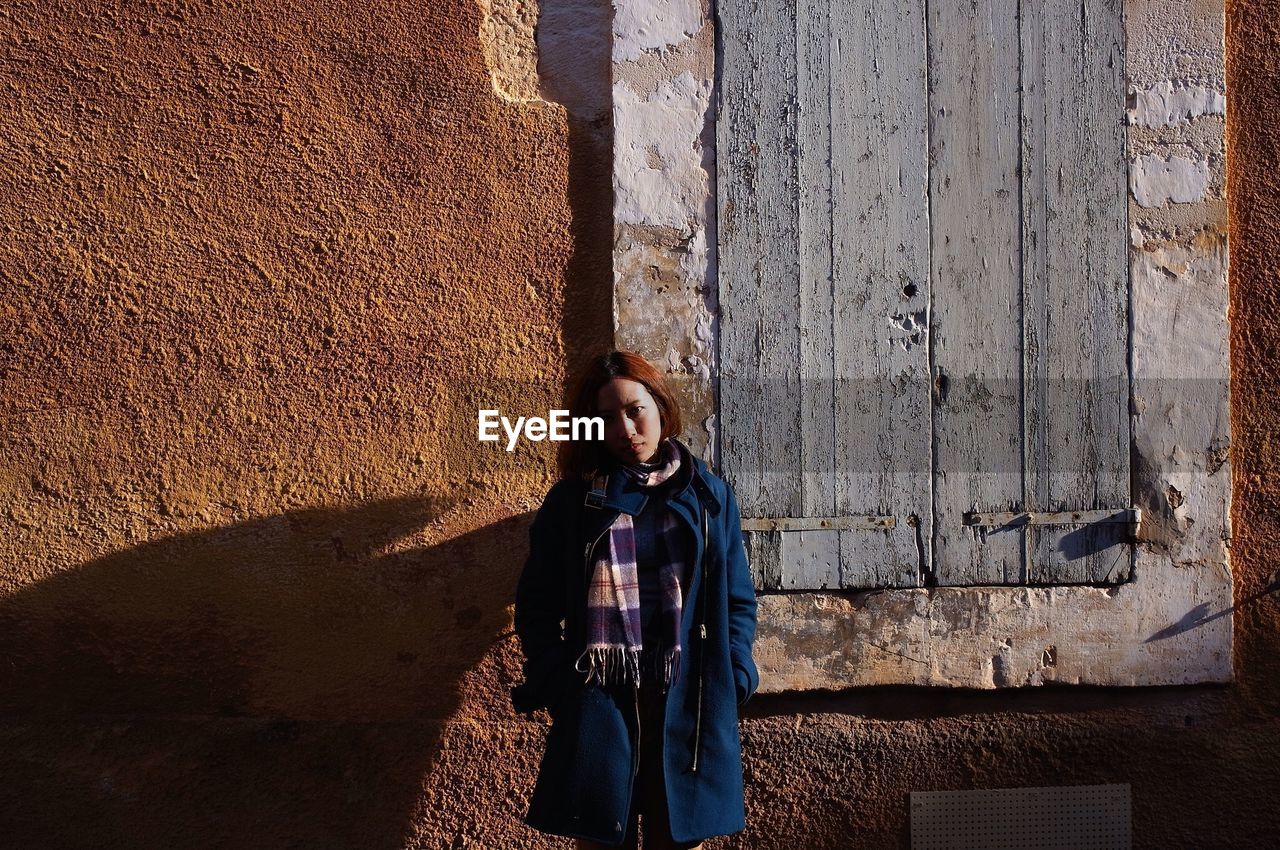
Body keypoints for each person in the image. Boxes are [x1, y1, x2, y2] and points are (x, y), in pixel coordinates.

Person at [511, 350, 760, 849]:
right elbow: (536, 606)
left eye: (634, 409)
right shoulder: (573, 502)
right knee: (603, 838)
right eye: (605, 419)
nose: (625, 429)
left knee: (680, 838)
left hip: (687, 693)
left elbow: (736, 599)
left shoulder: (708, 497)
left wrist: (734, 673)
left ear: (660, 406)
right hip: (602, 700)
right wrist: (559, 680)